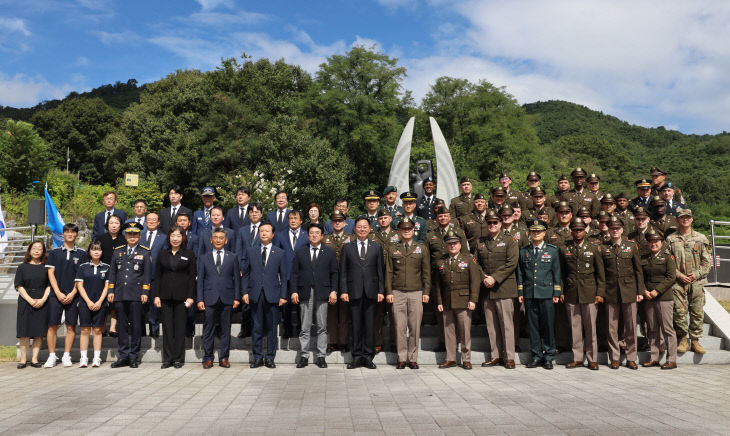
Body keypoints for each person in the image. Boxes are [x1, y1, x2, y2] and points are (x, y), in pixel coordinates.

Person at [290, 223, 339, 369]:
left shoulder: (328, 252)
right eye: (311, 233)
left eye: (317, 233)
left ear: (322, 235)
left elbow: (334, 273)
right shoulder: (301, 252)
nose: (314, 235)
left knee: (322, 326)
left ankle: (321, 356)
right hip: (305, 292)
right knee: (305, 326)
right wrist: (293, 291)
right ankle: (304, 355)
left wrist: (333, 290)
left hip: (323, 292)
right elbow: (294, 274)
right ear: (308, 235)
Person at [559, 218, 605, 370]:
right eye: (575, 230)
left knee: (591, 328)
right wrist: (561, 290)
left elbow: (600, 274)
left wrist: (600, 293)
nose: (577, 232)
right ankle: (577, 358)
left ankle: (592, 359)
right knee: (575, 327)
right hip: (571, 292)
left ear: (585, 231)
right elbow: (562, 273)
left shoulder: (593, 248)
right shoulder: (564, 248)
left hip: (589, 293)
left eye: (580, 230)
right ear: (571, 231)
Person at [385, 217, 430, 369]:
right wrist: (389, 291)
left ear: (413, 230)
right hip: (397, 292)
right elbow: (389, 272)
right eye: (403, 229)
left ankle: (413, 358)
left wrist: (426, 291)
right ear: (399, 231)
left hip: (416, 292)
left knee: (415, 326)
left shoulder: (421, 248)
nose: (406, 231)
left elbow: (426, 272)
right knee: (399, 326)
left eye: (409, 229)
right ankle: (401, 358)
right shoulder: (393, 249)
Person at [339, 217, 384, 369]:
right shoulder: (347, 248)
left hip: (371, 292)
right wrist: (344, 290)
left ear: (370, 229)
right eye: (359, 227)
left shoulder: (376, 247)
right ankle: (356, 356)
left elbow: (380, 272)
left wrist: (381, 290)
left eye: (365, 227)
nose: (362, 229)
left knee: (370, 326)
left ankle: (368, 357)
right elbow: (343, 272)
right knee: (356, 326)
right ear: (355, 229)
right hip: (353, 292)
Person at [475, 210, 519, 369]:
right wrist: (483, 277)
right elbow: (476, 262)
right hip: (487, 289)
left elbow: (512, 262)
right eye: (489, 222)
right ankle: (495, 355)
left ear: (501, 223)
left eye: (495, 222)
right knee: (491, 325)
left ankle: (509, 357)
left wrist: (494, 278)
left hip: (504, 287)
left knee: (506, 324)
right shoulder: (481, 241)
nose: (492, 225)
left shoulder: (509, 240)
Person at [107, 222, 153, 368]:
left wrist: (145, 291)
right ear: (125, 236)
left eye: (135, 234)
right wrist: (110, 290)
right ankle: (124, 356)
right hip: (120, 294)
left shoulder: (145, 252)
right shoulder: (118, 251)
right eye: (129, 234)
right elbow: (112, 273)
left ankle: (134, 356)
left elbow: (147, 275)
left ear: (139, 236)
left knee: (136, 327)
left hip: (136, 295)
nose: (132, 237)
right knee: (121, 326)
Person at [242, 222, 288, 368]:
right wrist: (244, 292)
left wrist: (283, 295)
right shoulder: (251, 251)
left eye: (267, 231)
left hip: (273, 295)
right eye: (261, 231)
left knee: (272, 328)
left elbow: (285, 276)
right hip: (255, 294)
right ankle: (257, 357)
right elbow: (246, 274)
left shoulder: (279, 253)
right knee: (256, 327)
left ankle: (270, 357)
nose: (264, 233)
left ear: (273, 234)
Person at [517, 219, 562, 369]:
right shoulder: (524, 251)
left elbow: (556, 272)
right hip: (530, 293)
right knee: (533, 326)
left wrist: (556, 291)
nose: (536, 234)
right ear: (529, 233)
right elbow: (520, 273)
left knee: (548, 326)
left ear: (544, 233)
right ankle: (536, 356)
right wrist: (521, 292)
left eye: (539, 231)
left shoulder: (552, 250)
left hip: (547, 293)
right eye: (533, 231)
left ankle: (549, 356)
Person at [601, 216, 645, 369]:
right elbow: (601, 273)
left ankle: (631, 357)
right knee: (611, 326)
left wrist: (640, 291)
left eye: (617, 228)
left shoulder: (631, 246)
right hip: (611, 290)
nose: (614, 231)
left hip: (629, 290)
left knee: (631, 326)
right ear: (608, 229)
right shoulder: (603, 247)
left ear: (622, 230)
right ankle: (614, 357)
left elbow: (638, 271)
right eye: (612, 228)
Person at [666, 208, 711, 354]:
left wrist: (697, 274)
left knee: (697, 311)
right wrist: (678, 275)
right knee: (679, 311)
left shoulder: (701, 238)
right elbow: (668, 262)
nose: (685, 220)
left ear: (692, 219)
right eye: (682, 217)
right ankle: (683, 339)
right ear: (677, 220)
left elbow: (707, 262)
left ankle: (695, 340)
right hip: (678, 281)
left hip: (696, 282)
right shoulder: (671, 239)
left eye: (688, 217)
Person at [435, 230, 480, 370]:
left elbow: (475, 281)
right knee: (449, 332)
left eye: (455, 243)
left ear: (460, 245)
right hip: (447, 302)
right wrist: (439, 301)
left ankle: (466, 359)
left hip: (464, 300)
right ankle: (450, 358)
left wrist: (473, 299)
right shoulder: (441, 261)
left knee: (465, 331)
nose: (452, 246)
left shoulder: (468, 259)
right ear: (446, 246)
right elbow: (437, 285)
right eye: (449, 244)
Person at [425, 205, 468, 352]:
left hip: (457, 275)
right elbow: (427, 257)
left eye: (445, 216)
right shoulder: (430, 235)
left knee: (459, 313)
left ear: (450, 217)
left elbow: (466, 254)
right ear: (436, 218)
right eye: (440, 216)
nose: (442, 218)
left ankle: (461, 345)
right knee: (441, 312)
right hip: (439, 276)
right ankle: (444, 342)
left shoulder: (458, 232)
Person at [44, 223, 87, 368]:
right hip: (56, 295)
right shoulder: (54, 253)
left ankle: (66, 355)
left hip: (73, 295)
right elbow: (51, 273)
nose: (70, 234)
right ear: (62, 235)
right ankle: (51, 356)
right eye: (67, 232)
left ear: (76, 235)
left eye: (72, 232)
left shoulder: (82, 254)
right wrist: (57, 292)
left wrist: (73, 292)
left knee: (71, 326)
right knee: (52, 326)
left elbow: (81, 276)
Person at [152, 226, 196, 369]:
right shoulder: (163, 254)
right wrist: (157, 295)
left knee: (179, 329)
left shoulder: (189, 254)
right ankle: (168, 359)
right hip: (164, 296)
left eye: (178, 235)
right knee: (167, 329)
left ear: (183, 238)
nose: (175, 238)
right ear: (169, 238)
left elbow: (191, 278)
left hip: (182, 297)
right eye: (173, 236)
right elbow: (157, 276)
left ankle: (178, 358)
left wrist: (190, 297)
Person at [197, 227, 241, 369]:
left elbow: (236, 279)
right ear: (211, 240)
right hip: (209, 298)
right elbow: (201, 280)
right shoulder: (204, 257)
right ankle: (208, 358)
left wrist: (237, 298)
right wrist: (200, 299)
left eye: (221, 238)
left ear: (226, 240)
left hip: (227, 298)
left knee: (225, 329)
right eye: (215, 237)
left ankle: (224, 358)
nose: (218, 240)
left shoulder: (232, 257)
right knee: (208, 329)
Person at [641, 229, 678, 369]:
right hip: (648, 297)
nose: (653, 244)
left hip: (663, 297)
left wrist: (657, 290)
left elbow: (671, 277)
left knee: (667, 329)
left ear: (661, 242)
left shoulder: (668, 257)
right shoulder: (644, 258)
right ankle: (654, 358)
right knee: (652, 329)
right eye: (651, 241)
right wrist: (644, 290)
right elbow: (641, 277)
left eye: (656, 241)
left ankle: (671, 359)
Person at [321, 210, 354, 351]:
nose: (337, 222)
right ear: (331, 223)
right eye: (335, 220)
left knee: (345, 313)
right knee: (331, 313)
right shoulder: (324, 239)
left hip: (347, 280)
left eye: (340, 220)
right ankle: (332, 341)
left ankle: (344, 342)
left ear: (345, 223)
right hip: (329, 280)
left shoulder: (352, 238)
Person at [274, 210, 309, 339]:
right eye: (290, 218)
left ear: (301, 221)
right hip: (286, 275)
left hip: (303, 275)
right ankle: (286, 330)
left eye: (296, 218)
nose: (293, 220)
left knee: (302, 305)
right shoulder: (280, 235)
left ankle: (300, 329)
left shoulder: (306, 236)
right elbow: (276, 254)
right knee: (286, 305)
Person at [15, 241, 50, 369]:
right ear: (29, 251)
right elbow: (19, 286)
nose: (36, 250)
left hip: (42, 302)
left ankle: (35, 359)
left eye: (39, 248)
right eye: (34, 248)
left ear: (43, 252)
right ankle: (23, 360)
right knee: (24, 332)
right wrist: (30, 300)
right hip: (25, 301)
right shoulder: (22, 267)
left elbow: (49, 285)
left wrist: (43, 299)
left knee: (38, 332)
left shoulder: (47, 267)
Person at [75, 241, 109, 368]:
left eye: (99, 250)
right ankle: (83, 358)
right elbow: (79, 286)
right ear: (89, 251)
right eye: (93, 249)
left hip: (101, 303)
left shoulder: (107, 267)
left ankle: (96, 358)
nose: (96, 252)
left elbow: (107, 286)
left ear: (102, 252)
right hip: (85, 303)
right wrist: (88, 301)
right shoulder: (83, 267)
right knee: (84, 330)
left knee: (97, 330)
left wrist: (100, 301)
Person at [140, 213, 166, 337]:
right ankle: (141, 330)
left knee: (154, 305)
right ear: (145, 222)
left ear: (158, 222)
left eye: (154, 220)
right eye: (148, 220)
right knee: (140, 304)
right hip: (140, 276)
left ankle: (154, 329)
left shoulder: (164, 237)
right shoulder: (139, 236)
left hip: (156, 276)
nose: (151, 222)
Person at [98, 214, 123, 338]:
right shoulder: (100, 238)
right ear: (107, 225)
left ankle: (113, 327)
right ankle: (102, 327)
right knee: (103, 301)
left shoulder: (124, 239)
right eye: (111, 223)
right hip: (103, 273)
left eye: (116, 223)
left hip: (119, 274)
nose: (114, 225)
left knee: (115, 302)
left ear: (120, 225)